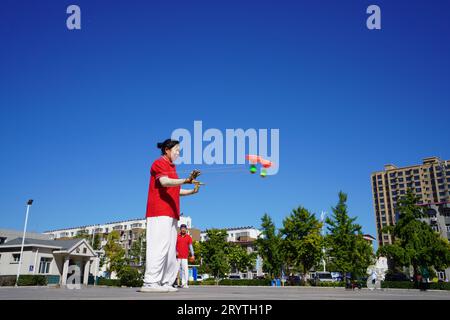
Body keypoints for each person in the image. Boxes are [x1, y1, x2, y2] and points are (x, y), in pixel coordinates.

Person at [140, 139, 201, 293]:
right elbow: (164, 181)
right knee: (159, 247)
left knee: (169, 251)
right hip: (159, 212)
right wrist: (186, 180)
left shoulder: (172, 168)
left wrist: (192, 191)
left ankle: (166, 282)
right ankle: (150, 282)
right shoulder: (158, 163)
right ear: (167, 150)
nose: (178, 152)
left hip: (172, 214)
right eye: (176, 149)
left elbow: (176, 191)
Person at [176, 223, 195, 288]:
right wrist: (175, 252)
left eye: (184, 228)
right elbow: (173, 246)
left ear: (186, 229)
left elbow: (190, 246)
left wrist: (192, 255)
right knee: (175, 270)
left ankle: (184, 284)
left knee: (185, 270)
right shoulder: (177, 236)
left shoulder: (188, 237)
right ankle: (172, 283)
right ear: (180, 229)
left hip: (184, 257)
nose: (183, 230)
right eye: (182, 228)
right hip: (177, 257)